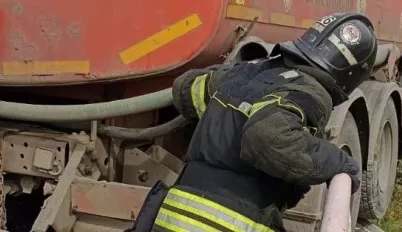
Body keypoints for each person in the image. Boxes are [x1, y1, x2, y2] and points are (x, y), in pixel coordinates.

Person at [128, 12, 378, 232]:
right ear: (352, 76)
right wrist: (339, 162)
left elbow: (184, 89)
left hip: (174, 218)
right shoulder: (312, 91)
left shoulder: (249, 73)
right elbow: (267, 138)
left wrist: (233, 78)